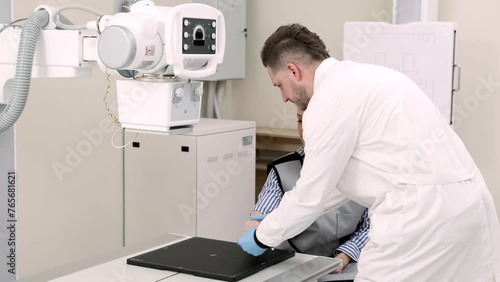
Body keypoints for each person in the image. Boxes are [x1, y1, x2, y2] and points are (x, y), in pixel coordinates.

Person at [238, 23, 500, 282]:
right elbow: (334, 185)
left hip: (418, 218)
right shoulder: (373, 78)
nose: (284, 98)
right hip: (470, 206)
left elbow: (311, 196)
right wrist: (275, 216)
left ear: (293, 71)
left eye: (279, 85)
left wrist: (262, 237)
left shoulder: (326, 101)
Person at [245, 107, 369, 271]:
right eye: (299, 120)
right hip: (289, 263)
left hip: (344, 266)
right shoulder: (283, 169)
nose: (304, 128)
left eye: (310, 120)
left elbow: (370, 227)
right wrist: (254, 227)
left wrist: (343, 257)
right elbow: (261, 215)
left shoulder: (364, 170)